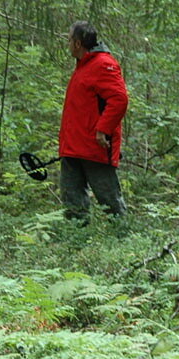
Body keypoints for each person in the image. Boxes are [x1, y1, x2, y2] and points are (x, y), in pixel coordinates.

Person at [58, 21, 128, 221]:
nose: (68, 43)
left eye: (69, 39)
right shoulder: (83, 66)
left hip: (95, 147)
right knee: (72, 202)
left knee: (110, 201)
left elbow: (119, 100)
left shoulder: (103, 64)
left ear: (78, 43)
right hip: (73, 147)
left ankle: (123, 240)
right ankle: (76, 245)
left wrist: (102, 130)